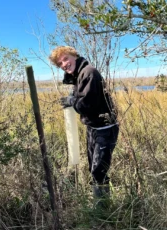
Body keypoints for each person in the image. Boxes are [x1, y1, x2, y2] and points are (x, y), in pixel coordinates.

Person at [49, 46, 119, 206]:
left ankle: (102, 211)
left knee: (98, 170)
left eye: (65, 58)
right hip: (93, 128)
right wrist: (72, 95)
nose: (64, 64)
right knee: (93, 167)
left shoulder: (89, 72)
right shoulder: (79, 75)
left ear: (74, 55)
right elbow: (79, 96)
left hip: (105, 129)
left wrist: (71, 101)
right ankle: (99, 203)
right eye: (60, 63)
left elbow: (86, 105)